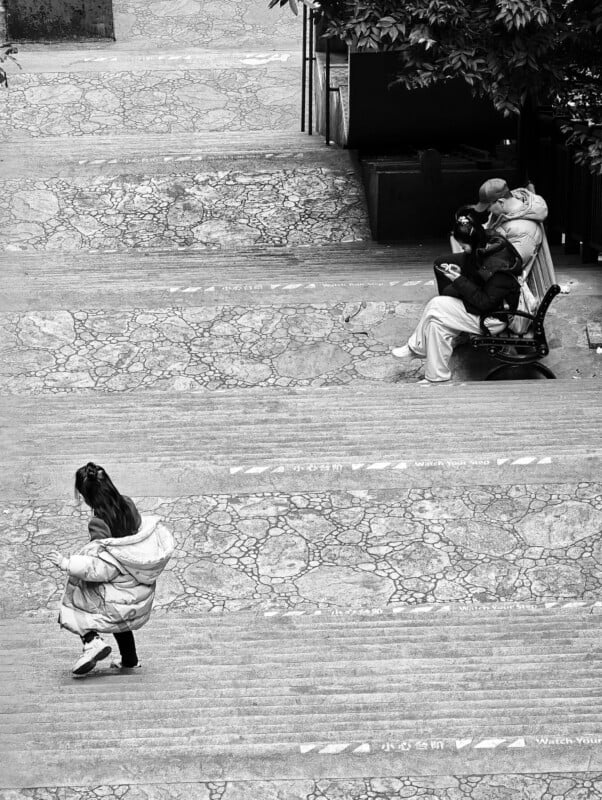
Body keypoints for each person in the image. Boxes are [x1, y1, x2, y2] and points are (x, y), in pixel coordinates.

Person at [48, 462, 174, 676]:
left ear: (86, 497)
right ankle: (129, 660)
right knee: (119, 616)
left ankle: (91, 641)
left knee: (75, 598)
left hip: (115, 580)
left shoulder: (98, 523)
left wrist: (67, 564)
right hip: (133, 580)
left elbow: (100, 565)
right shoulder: (128, 504)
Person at [391, 216, 522, 384]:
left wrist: (459, 280)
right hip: (488, 306)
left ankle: (417, 350)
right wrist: (459, 274)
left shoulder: (498, 268)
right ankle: (434, 375)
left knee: (436, 307)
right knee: (436, 324)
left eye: (464, 246)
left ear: (474, 242)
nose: (464, 249)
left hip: (494, 317)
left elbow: (485, 302)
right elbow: (477, 273)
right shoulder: (487, 245)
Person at [466, 178, 548, 267]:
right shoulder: (503, 212)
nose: (488, 210)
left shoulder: (524, 230)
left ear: (501, 202)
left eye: (488, 206)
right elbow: (488, 228)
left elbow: (509, 264)